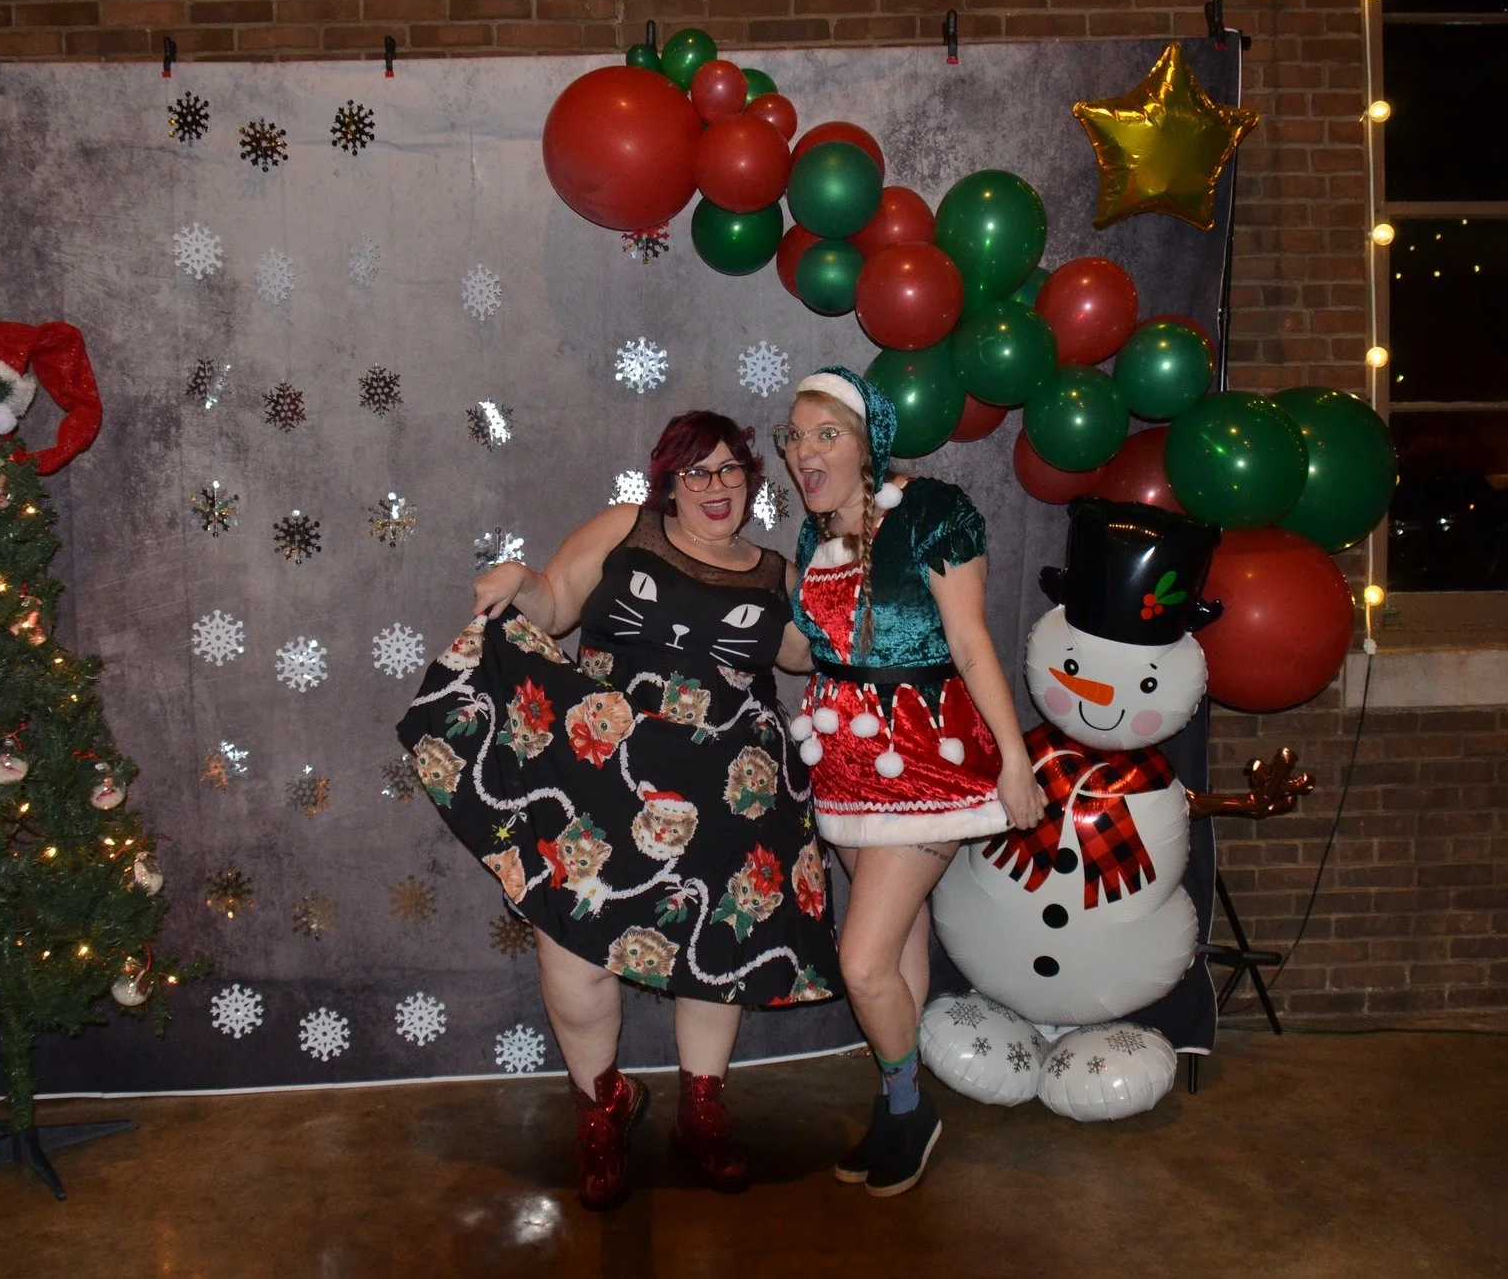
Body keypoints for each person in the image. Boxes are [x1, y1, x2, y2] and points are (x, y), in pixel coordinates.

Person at [396, 411, 840, 1212]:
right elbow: (554, 604)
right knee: (574, 955)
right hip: (603, 780)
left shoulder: (776, 574)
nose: (715, 487)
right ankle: (602, 1109)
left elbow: (810, 653)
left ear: (750, 479)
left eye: (730, 469)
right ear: (669, 482)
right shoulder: (626, 529)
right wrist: (517, 579)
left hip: (730, 794)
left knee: (714, 952)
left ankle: (702, 1111)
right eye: (696, 472)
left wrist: (850, 579)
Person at [775, 368, 1046, 1197]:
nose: (806, 450)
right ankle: (899, 1107)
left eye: (827, 433)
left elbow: (969, 641)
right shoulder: (812, 539)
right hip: (845, 766)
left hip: (925, 760)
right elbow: (806, 651)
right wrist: (726, 606)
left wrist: (1014, 759)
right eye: (795, 436)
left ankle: (907, 1108)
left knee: (861, 962)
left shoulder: (931, 511)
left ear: (868, 444)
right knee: (898, 946)